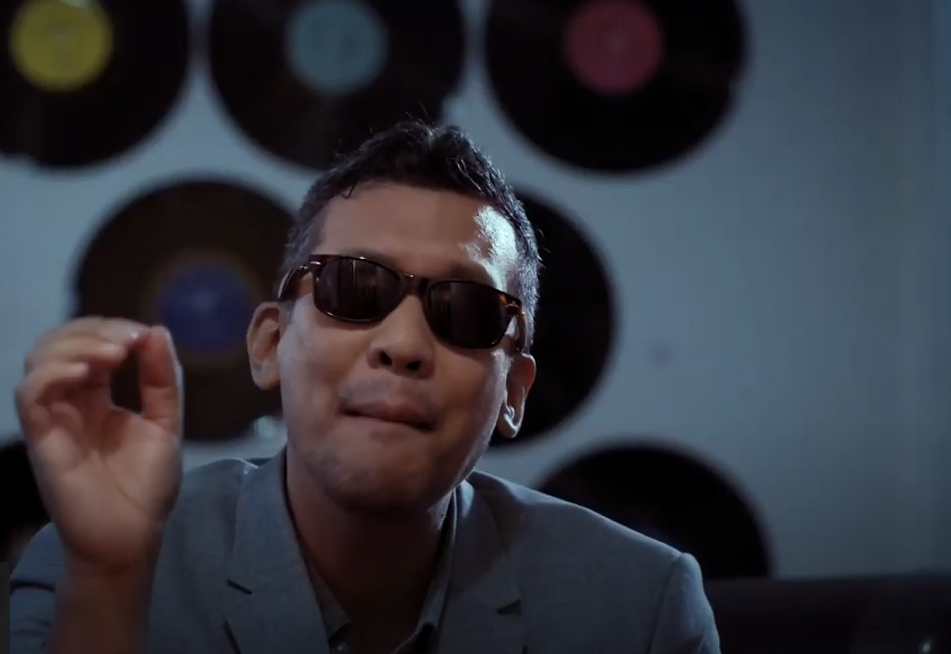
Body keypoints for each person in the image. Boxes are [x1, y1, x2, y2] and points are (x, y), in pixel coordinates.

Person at [9, 121, 720, 654]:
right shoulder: (89, 566)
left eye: (466, 310)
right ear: (270, 344)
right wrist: (107, 582)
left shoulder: (638, 611)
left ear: (514, 392)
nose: (403, 345)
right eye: (353, 288)